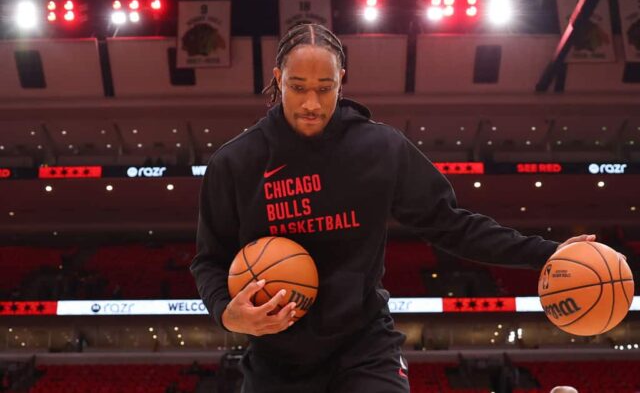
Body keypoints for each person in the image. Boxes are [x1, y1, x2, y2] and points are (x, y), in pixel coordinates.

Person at [190, 23, 599, 393]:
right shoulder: (236, 164)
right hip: (276, 360)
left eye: (325, 87)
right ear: (277, 80)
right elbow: (209, 261)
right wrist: (229, 315)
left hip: (363, 346)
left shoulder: (379, 149)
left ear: (342, 82)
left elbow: (450, 225)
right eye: (297, 87)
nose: (311, 102)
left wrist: (547, 253)